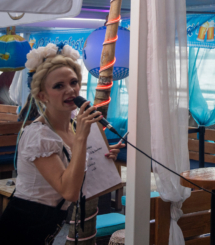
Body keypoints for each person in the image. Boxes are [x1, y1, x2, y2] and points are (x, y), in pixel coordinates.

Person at [0, 43, 123, 244]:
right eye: (59, 86)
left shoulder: (73, 127)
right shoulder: (39, 136)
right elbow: (69, 191)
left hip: (48, 224)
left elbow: (75, 170)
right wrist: (82, 138)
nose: (71, 90)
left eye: (74, 82)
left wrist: (101, 158)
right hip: (23, 224)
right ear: (42, 96)